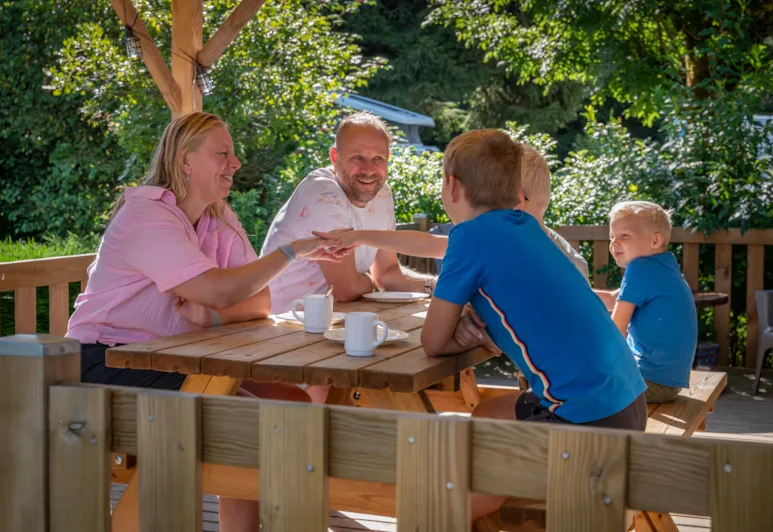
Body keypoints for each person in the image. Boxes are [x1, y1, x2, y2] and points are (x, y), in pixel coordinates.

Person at [65, 112, 348, 531]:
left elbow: (260, 300)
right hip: (102, 365)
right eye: (223, 153)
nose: (236, 162)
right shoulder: (146, 216)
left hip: (172, 361)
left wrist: (212, 315)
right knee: (248, 420)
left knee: (293, 404)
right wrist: (290, 252)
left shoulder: (218, 217)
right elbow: (222, 289)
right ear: (185, 160)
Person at [417, 128, 647, 520]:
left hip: (587, 421)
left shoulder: (468, 238)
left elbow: (433, 342)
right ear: (515, 190)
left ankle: (435, 521)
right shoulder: (528, 228)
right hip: (628, 403)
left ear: (452, 186)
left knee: (462, 487)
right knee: (486, 416)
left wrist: (465, 336)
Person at [314, 143, 590, 347]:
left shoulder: (503, 247)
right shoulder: (547, 248)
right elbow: (431, 244)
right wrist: (360, 237)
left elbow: (434, 343)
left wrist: (479, 333)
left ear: (514, 200)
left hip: (565, 397)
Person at [261, 111, 437, 314]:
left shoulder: (381, 194)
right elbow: (345, 290)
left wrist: (434, 285)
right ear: (335, 157)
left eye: (378, 158)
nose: (369, 170)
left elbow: (387, 273)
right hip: (285, 323)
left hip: (338, 319)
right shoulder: (323, 194)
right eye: (357, 158)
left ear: (388, 158)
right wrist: (370, 283)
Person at [594, 201, 697, 403]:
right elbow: (614, 299)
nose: (614, 243)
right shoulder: (663, 267)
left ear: (655, 241)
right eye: (612, 236)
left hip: (648, 381)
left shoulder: (640, 268)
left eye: (624, 236)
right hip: (666, 383)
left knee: (573, 373)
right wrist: (574, 292)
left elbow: (616, 331)